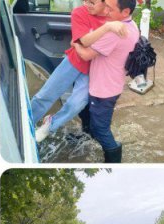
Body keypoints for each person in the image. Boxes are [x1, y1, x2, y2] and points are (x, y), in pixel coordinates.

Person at [33, 0, 127, 143]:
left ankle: (50, 124)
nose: (87, 4)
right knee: (46, 95)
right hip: (74, 61)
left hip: (94, 69)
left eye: (92, 2)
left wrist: (78, 43)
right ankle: (27, 122)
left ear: (105, 3)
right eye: (85, 0)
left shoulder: (113, 17)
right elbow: (84, 41)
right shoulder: (80, 12)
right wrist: (107, 28)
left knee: (77, 104)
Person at [72, 0, 138, 163]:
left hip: (103, 90)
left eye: (110, 8)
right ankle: (85, 137)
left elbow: (86, 54)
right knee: (85, 113)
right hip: (112, 83)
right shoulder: (132, 25)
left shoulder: (114, 33)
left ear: (125, 12)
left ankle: (114, 157)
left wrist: (75, 44)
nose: (105, 11)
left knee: (100, 129)